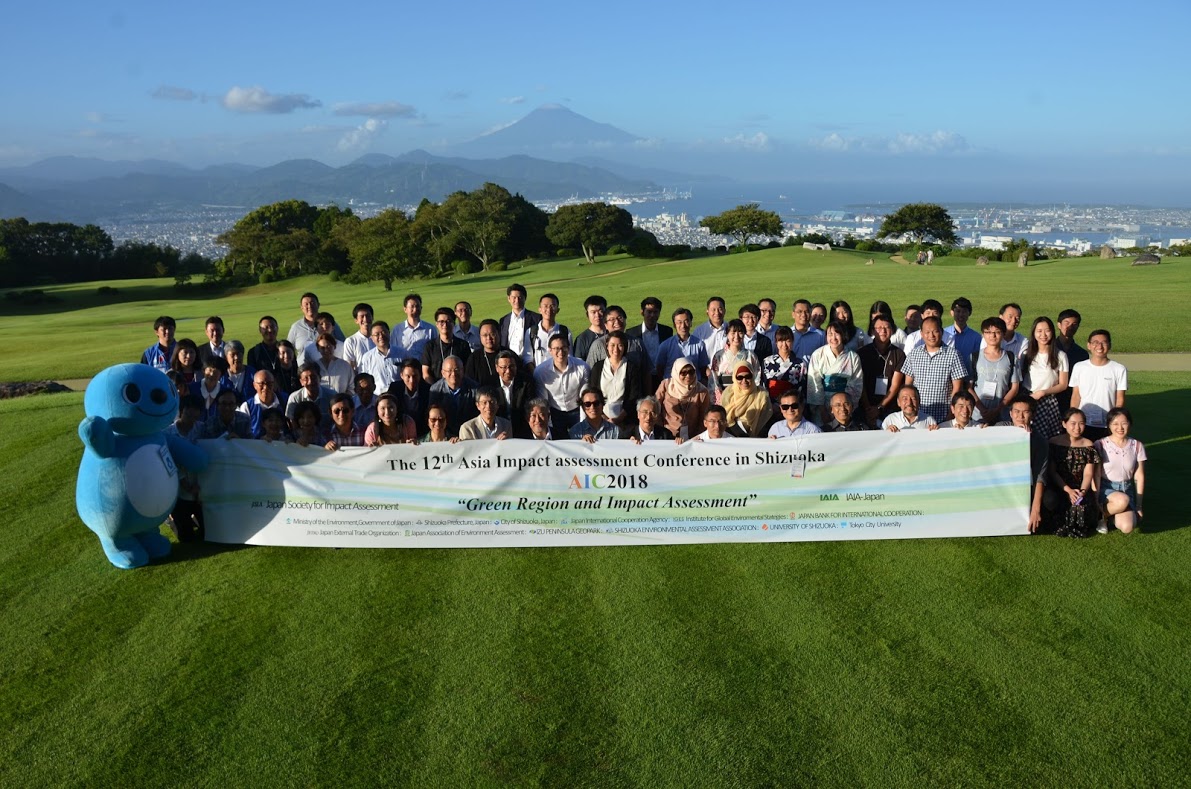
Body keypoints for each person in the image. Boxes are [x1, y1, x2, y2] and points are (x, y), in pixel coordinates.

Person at [900, 316, 966, 424]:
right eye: (927, 332)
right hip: (918, 417)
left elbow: (957, 387)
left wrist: (951, 413)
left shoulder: (954, 355)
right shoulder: (913, 354)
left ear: (942, 332)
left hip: (943, 416)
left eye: (935, 331)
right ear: (921, 334)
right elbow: (908, 385)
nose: (931, 336)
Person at [1046, 408, 1100, 538]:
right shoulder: (1054, 442)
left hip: (1080, 487)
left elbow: (1088, 474)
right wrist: (1068, 491)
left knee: (1080, 508)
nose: (1077, 427)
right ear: (1064, 424)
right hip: (1060, 485)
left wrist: (1082, 491)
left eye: (1081, 423)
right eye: (1073, 423)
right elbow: (1052, 472)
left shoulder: (1088, 445)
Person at [1069, 329, 1127, 442]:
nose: (1099, 346)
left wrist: (1115, 421)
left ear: (1109, 345)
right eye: (1095, 342)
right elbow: (1076, 395)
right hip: (1084, 423)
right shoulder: (1079, 367)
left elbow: (1119, 398)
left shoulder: (1119, 369)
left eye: (1103, 342)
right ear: (1089, 345)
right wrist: (1073, 419)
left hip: (1107, 424)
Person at [1095, 407, 1145, 535]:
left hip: (1126, 488)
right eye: (1115, 424)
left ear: (1130, 424)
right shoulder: (1100, 444)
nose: (1120, 428)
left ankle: (1109, 514)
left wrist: (1139, 506)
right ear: (1108, 425)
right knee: (1122, 501)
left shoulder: (1137, 445)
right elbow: (1096, 474)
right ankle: (1100, 516)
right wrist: (1095, 499)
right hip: (1106, 488)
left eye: (1124, 423)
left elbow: (1139, 476)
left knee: (1127, 527)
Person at [1018, 316, 1070, 439]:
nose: (1043, 335)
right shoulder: (1026, 354)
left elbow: (1063, 384)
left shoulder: (1060, 356)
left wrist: (1043, 392)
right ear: (1034, 333)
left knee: (1047, 437)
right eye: (1039, 331)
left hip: (1048, 401)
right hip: (1028, 398)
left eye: (1047, 330)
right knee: (1025, 433)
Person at [164, 394, 205, 542]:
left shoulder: (201, 429)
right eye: (188, 414)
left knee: (206, 533)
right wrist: (185, 484)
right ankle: (171, 519)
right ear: (182, 411)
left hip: (199, 489)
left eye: (195, 416)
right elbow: (168, 462)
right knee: (186, 537)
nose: (191, 420)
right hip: (178, 491)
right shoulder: (168, 433)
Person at [807, 321, 864, 425]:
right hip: (823, 403)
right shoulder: (818, 355)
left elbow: (857, 384)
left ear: (843, 335)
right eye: (830, 334)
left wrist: (845, 406)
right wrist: (822, 408)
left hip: (844, 405)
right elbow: (814, 383)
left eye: (837, 334)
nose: (833, 338)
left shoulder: (853, 357)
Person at [533, 334, 590, 438]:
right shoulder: (540, 372)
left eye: (564, 347)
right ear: (550, 350)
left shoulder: (582, 367)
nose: (560, 352)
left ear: (568, 348)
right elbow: (543, 402)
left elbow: (584, 398)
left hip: (577, 409)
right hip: (555, 411)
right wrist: (549, 427)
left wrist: (584, 425)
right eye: (556, 348)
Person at [970, 317, 1020, 424]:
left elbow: (1014, 388)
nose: (992, 336)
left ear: (1003, 334)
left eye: (997, 332)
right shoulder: (974, 357)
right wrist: (982, 409)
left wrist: (997, 409)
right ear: (983, 334)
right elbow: (969, 387)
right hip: (978, 415)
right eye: (988, 332)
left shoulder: (1011, 357)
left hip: (1002, 414)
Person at [859, 314, 906, 427]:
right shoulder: (862, 353)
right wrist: (868, 409)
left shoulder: (899, 354)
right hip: (865, 407)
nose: (883, 331)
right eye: (879, 328)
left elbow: (895, 386)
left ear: (892, 330)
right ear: (872, 331)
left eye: (887, 327)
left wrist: (879, 407)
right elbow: (860, 383)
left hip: (889, 408)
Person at [589, 330, 642, 430]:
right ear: (607, 346)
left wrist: (618, 420)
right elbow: (593, 393)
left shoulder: (631, 368)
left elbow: (633, 397)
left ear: (625, 347)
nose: (616, 349)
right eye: (612, 345)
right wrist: (603, 418)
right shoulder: (598, 367)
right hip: (600, 419)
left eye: (620, 345)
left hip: (625, 421)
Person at [655, 357, 710, 442]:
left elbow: (704, 418)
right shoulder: (666, 386)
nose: (688, 376)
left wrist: (697, 438)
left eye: (691, 372)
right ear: (676, 373)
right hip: (667, 437)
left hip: (693, 438)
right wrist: (661, 432)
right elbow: (656, 409)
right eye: (683, 373)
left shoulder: (702, 391)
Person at [655, 307, 710, 384]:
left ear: (691, 323)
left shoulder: (699, 344)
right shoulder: (665, 346)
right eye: (679, 322)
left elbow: (703, 369)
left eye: (686, 321)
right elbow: (659, 368)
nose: (683, 325)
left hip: (693, 388)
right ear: (674, 325)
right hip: (672, 389)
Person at [709, 319, 758, 403]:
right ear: (727, 334)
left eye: (740, 332)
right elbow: (714, 379)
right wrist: (721, 398)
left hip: (745, 398)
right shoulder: (719, 356)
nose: (737, 336)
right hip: (724, 397)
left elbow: (756, 378)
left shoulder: (751, 355)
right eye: (733, 332)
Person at [428, 355, 478, 436]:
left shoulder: (474, 388)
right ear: (443, 373)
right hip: (445, 434)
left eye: (457, 369)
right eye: (449, 371)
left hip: (469, 432)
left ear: (463, 371)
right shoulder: (435, 390)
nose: (453, 374)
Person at [761, 327, 806, 412]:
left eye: (788, 341)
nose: (784, 345)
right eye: (781, 341)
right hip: (771, 406)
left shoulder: (800, 364)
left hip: (792, 406)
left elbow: (802, 388)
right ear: (776, 342)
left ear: (792, 342)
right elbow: (763, 385)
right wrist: (771, 404)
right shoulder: (767, 361)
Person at [721, 360, 771, 437]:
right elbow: (724, 417)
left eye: (748, 376)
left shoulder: (762, 394)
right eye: (740, 377)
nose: (744, 381)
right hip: (730, 435)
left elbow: (765, 419)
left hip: (757, 438)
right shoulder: (728, 393)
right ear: (734, 378)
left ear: (753, 376)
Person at [422, 307, 471, 384]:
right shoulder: (430, 346)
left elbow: (467, 371)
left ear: (454, 324)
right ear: (437, 324)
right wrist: (436, 388)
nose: (445, 324)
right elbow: (425, 373)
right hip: (436, 390)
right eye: (441, 321)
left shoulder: (463, 345)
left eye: (448, 321)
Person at [285, 362, 338, 428]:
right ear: (301, 382)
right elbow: (292, 422)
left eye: (313, 377)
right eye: (306, 378)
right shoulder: (294, 398)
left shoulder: (332, 396)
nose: (310, 381)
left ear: (320, 377)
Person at [493, 351, 533, 438]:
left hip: (521, 427)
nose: (508, 371)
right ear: (497, 368)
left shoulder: (526, 382)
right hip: (498, 430)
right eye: (503, 367)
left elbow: (529, 408)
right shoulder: (490, 384)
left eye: (511, 367)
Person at [524, 293, 570, 369]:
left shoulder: (565, 331)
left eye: (552, 306)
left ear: (558, 310)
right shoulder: (531, 332)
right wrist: (535, 374)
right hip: (538, 376)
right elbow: (527, 358)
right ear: (540, 309)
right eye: (545, 306)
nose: (549, 309)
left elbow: (569, 356)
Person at [1054, 309, 1088, 412]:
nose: (1070, 327)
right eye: (1067, 323)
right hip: (1052, 397)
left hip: (1072, 397)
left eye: (1074, 324)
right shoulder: (1049, 349)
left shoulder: (1082, 354)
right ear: (1059, 325)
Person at [238, 370, 287, 438]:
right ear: (254, 385)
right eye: (261, 384)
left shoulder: (285, 401)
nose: (265, 387)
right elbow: (242, 433)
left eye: (269, 384)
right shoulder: (247, 406)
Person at [627, 296, 672, 371]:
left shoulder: (667, 331)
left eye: (655, 312)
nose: (652, 315)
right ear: (642, 312)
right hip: (641, 375)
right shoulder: (631, 333)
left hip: (661, 374)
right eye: (649, 312)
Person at [357, 321, 404, 392]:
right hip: (378, 398)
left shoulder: (402, 353)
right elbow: (364, 380)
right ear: (372, 338)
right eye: (377, 334)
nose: (381, 336)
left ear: (389, 333)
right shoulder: (367, 358)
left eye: (383, 332)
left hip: (399, 395)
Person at [499, 283, 540, 361]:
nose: (517, 300)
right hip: (509, 363)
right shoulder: (503, 320)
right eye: (514, 297)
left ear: (525, 298)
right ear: (509, 299)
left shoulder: (536, 318)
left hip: (529, 363)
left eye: (520, 297)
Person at [391, 293, 436, 361]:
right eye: (412, 306)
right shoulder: (397, 329)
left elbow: (434, 351)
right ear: (405, 309)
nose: (415, 309)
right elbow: (393, 351)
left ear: (421, 308)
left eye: (417, 306)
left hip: (423, 368)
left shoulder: (430, 329)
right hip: (404, 368)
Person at [943, 297, 981, 377]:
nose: (961, 315)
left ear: (969, 313)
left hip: (968, 379)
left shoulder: (976, 337)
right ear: (952, 312)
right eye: (958, 311)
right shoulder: (943, 334)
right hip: (946, 377)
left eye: (964, 312)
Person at [396, 358, 432, 436]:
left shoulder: (428, 390)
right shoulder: (395, 389)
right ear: (401, 375)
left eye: (415, 376)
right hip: (401, 433)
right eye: (408, 376)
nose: (412, 380)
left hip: (423, 433)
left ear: (421, 375)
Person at [464, 318, 504, 386]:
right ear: (480, 337)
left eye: (492, 334)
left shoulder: (509, 355)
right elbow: (469, 382)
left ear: (499, 333)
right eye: (485, 335)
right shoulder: (474, 358)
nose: (488, 338)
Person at [789, 299, 825, 366]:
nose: (803, 315)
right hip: (791, 374)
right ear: (793, 314)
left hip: (812, 374)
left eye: (807, 311)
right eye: (799, 312)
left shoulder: (820, 335)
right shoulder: (788, 334)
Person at [191, 356, 228, 420]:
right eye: (210, 370)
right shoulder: (192, 388)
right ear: (203, 370)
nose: (212, 374)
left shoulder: (225, 392)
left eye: (216, 372)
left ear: (221, 375)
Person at [571, 295, 607, 361]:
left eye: (600, 311)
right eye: (593, 312)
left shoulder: (613, 332)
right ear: (587, 314)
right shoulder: (582, 339)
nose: (597, 315)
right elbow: (579, 364)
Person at [342, 302, 376, 371]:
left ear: (372, 317)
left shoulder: (380, 338)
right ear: (356, 320)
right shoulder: (351, 341)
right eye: (362, 316)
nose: (365, 319)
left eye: (367, 315)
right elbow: (349, 366)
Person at [693, 296, 728, 361]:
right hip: (706, 370)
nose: (717, 313)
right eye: (713, 310)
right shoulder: (699, 331)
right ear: (707, 312)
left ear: (724, 311)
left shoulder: (731, 329)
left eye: (720, 309)